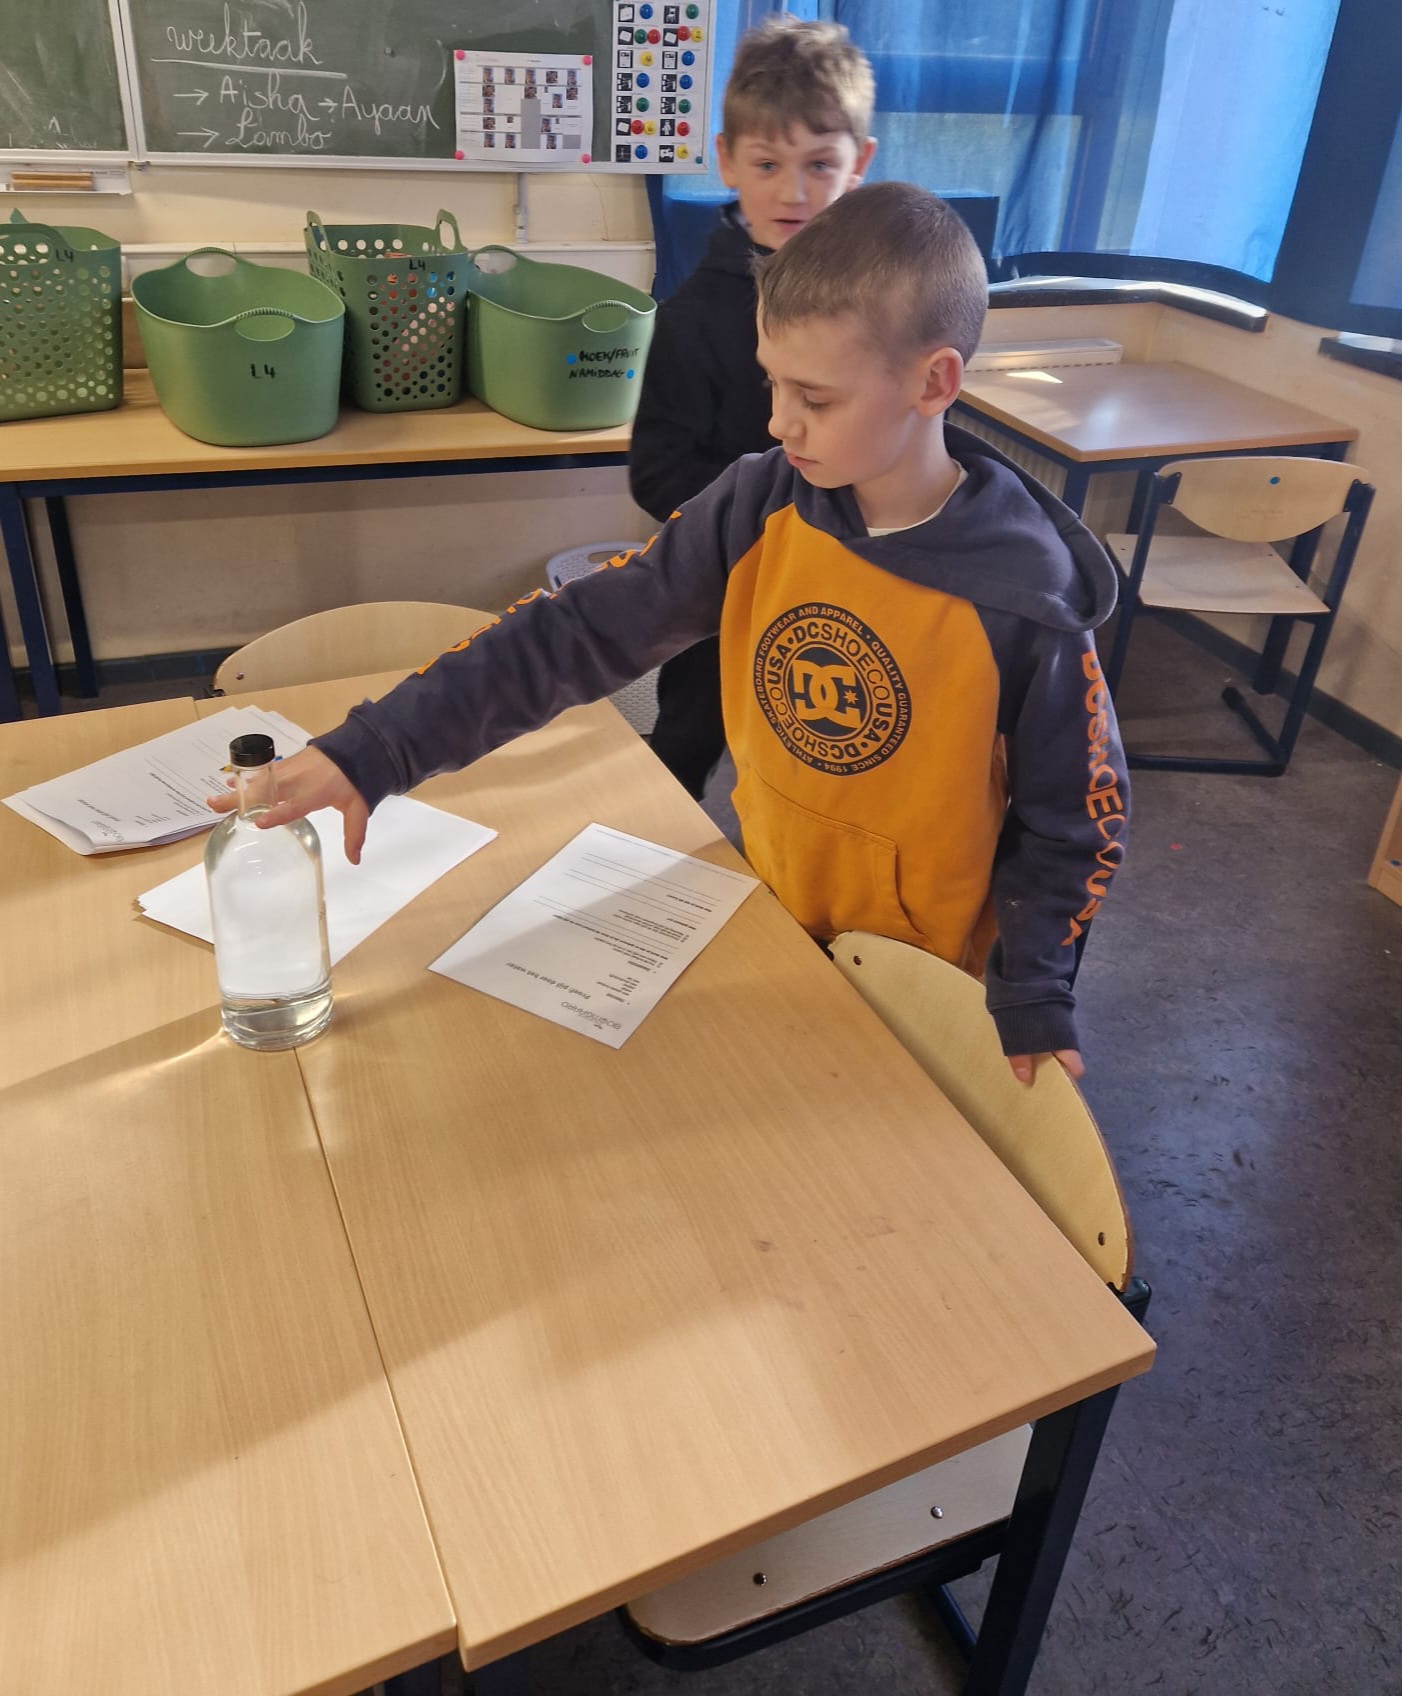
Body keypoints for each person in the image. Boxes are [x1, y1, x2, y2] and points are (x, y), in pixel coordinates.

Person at [212, 183, 1129, 1081]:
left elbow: (1076, 818)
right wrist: (377, 750)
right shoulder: (760, 502)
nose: (778, 421)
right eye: (773, 382)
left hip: (929, 979)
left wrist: (1033, 986)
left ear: (933, 383)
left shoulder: (1024, 595)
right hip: (775, 915)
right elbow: (574, 634)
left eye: (815, 397)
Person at [629, 15, 876, 800]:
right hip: (723, 584)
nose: (794, 192)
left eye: (820, 164)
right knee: (688, 739)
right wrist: (766, 516)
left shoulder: (879, 306)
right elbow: (656, 470)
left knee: (826, 753)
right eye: (768, 163)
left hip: (845, 583)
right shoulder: (692, 318)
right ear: (728, 160)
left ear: (859, 164)